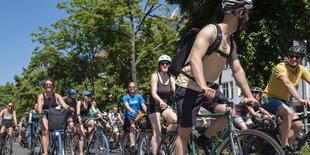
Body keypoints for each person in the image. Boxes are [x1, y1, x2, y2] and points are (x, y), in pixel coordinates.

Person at [174, 0, 257, 154]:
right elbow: (195, 59)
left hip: (208, 88)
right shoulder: (210, 31)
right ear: (239, 12)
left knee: (230, 113)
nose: (248, 17)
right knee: (184, 134)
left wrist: (249, 95)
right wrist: (202, 86)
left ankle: (204, 139)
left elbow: (237, 70)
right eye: (247, 12)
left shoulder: (231, 42)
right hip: (189, 85)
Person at [261, 45, 310, 153]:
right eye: (291, 56)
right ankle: (283, 147)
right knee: (288, 113)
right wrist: (300, 99)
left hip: (283, 101)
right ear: (288, 57)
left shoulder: (301, 69)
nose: (293, 59)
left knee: (298, 124)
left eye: (297, 57)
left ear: (301, 59)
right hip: (268, 98)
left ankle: (279, 149)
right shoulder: (281, 67)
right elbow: (287, 83)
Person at [149, 54, 178, 155]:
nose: (165, 65)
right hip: (154, 105)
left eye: (167, 63)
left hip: (164, 106)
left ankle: (166, 138)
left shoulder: (171, 78)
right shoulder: (155, 76)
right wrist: (160, 101)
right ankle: (155, 153)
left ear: (170, 65)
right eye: (162, 63)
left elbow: (176, 92)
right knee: (157, 131)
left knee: (176, 121)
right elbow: (153, 93)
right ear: (159, 65)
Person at [37, 79, 75, 155]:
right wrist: (40, 111)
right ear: (44, 86)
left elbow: (64, 105)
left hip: (55, 116)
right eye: (47, 84)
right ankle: (45, 152)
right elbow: (39, 107)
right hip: (45, 115)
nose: (48, 86)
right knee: (46, 131)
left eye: (50, 84)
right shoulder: (41, 96)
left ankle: (59, 146)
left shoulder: (57, 95)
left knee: (60, 130)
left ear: (53, 86)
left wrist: (69, 108)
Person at [122, 82, 147, 152]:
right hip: (129, 116)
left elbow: (143, 105)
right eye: (130, 87)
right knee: (132, 127)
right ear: (128, 88)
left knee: (143, 127)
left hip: (138, 116)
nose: (132, 88)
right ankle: (132, 145)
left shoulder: (139, 96)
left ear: (135, 88)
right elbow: (126, 105)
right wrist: (131, 110)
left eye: (133, 87)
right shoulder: (126, 97)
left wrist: (147, 110)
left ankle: (141, 142)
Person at [76, 90, 96, 155]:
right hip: (79, 120)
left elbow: (94, 110)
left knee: (92, 122)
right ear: (83, 96)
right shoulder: (79, 102)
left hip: (86, 119)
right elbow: (78, 112)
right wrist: (79, 118)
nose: (89, 97)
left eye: (89, 95)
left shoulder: (90, 103)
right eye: (87, 95)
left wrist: (101, 116)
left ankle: (90, 139)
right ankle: (81, 153)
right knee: (82, 136)